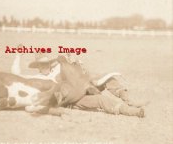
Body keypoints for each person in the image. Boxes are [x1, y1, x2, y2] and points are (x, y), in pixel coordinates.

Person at [10, 50, 145, 118]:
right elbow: (16, 75)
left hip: (81, 87)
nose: (44, 67)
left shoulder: (58, 69)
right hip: (73, 100)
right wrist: (18, 55)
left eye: (46, 64)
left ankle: (128, 99)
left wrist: (73, 60)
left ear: (50, 64)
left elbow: (75, 67)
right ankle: (131, 111)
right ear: (38, 67)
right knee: (100, 100)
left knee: (107, 79)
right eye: (41, 65)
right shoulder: (37, 78)